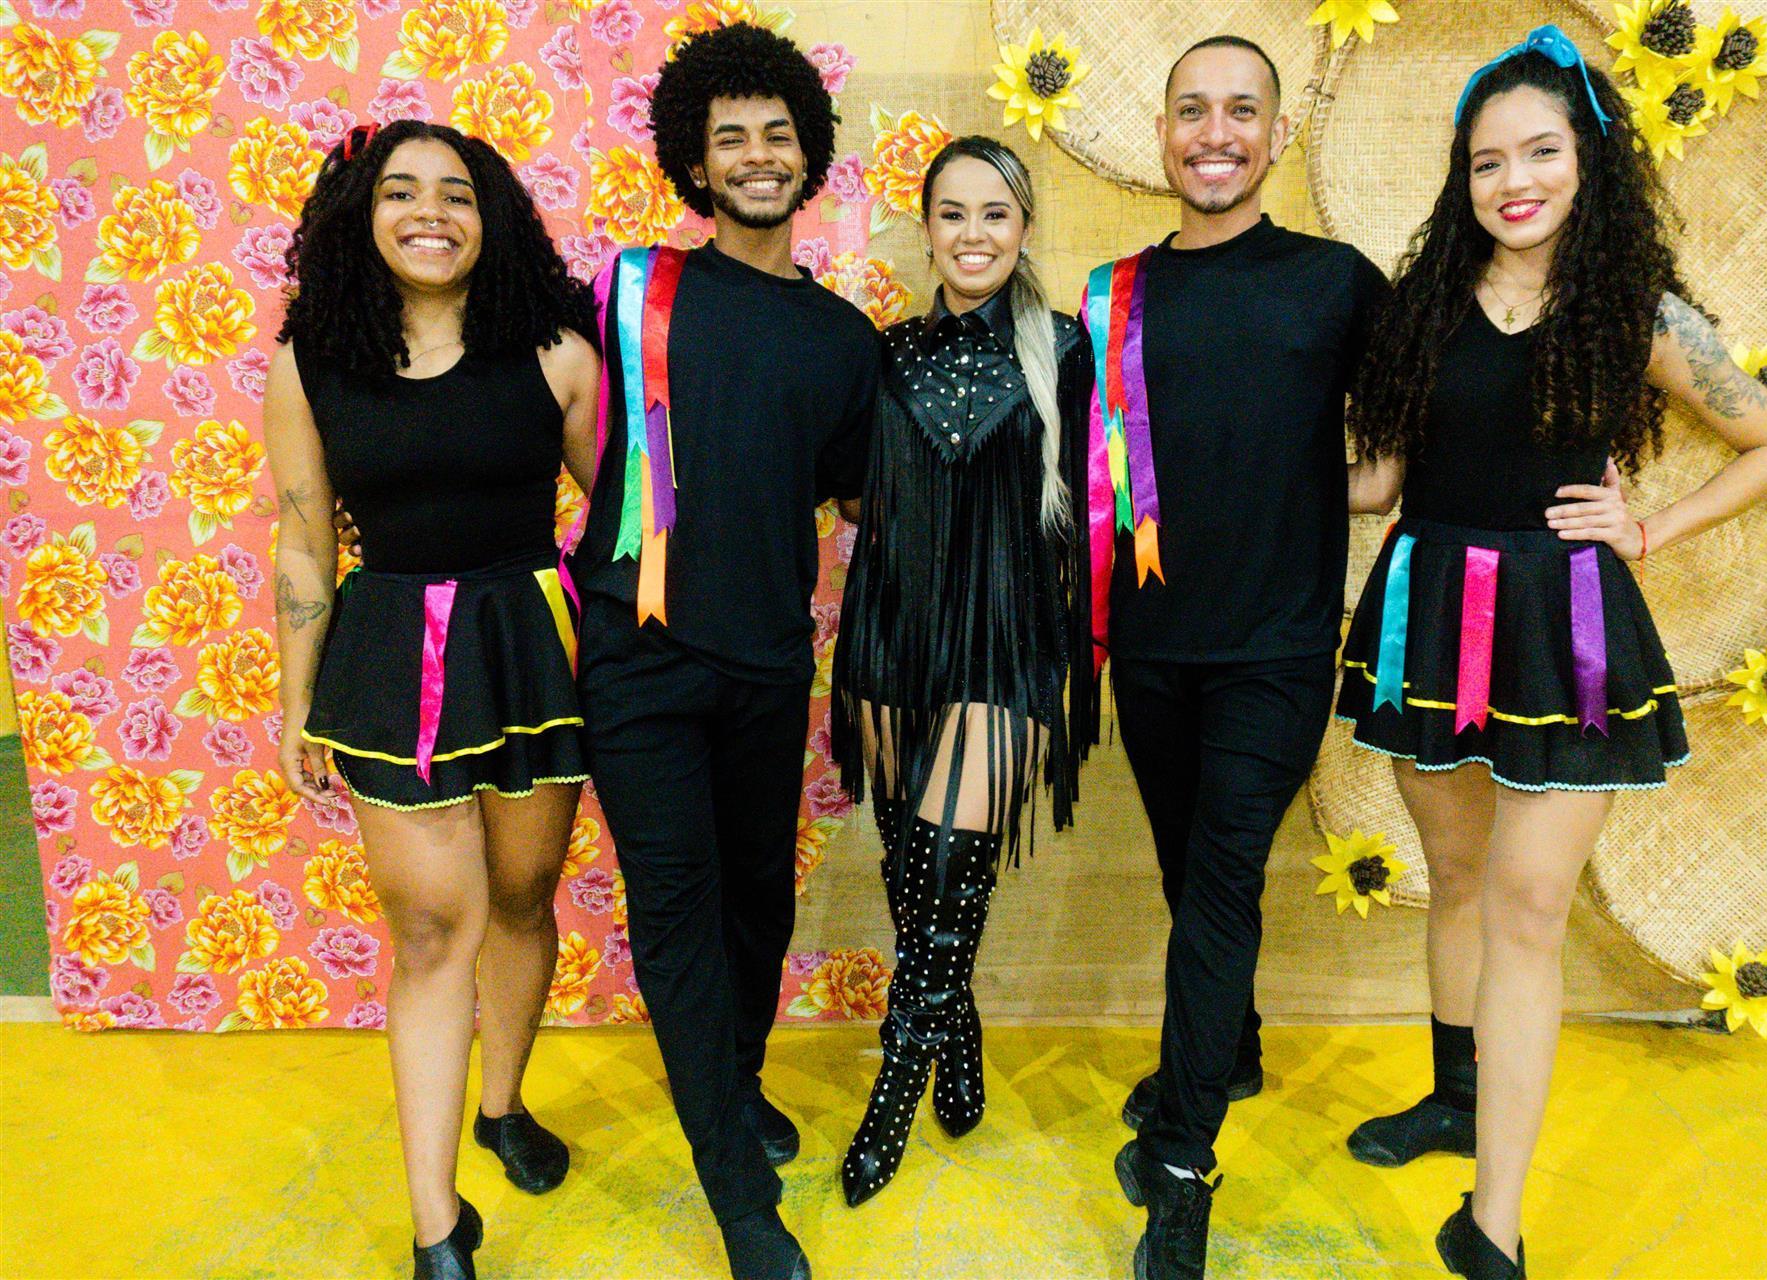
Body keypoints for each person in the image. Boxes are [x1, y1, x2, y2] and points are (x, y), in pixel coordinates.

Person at [1338, 28, 1767, 1279]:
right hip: (1427, 614)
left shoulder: (1634, 312)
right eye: (1488, 160)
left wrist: (1648, 527)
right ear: (1462, 176)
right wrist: (1225, 457)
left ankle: (1493, 1222)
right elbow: (1376, 481)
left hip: (1568, 631)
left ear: (1590, 161)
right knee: (1455, 874)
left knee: (1530, 906)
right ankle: (1453, 1098)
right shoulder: (1423, 307)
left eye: (1541, 151)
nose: (1515, 181)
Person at [565, 24, 879, 1280]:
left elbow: (856, 498)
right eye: (729, 137)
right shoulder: (629, 287)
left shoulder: (844, 338)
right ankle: (741, 1197)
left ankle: (734, 1078)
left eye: (777, 135)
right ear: (694, 163)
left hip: (766, 660)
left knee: (760, 897)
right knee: (680, 910)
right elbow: (551, 404)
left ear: (809, 157)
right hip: (634, 658)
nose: (756, 155)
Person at [265, 120, 602, 1280]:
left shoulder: (557, 352)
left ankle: (502, 1106)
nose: (430, 212)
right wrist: (296, 700)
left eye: (455, 193)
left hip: (527, 650)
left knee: (520, 895)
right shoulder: (311, 358)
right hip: (387, 658)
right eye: (400, 191)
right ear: (362, 215)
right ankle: (435, 1226)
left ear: (488, 215)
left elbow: (627, 521)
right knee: (428, 932)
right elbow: (304, 540)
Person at [1097, 36, 1389, 1280]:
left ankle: (1180, 1163)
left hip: (1275, 650)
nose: (1214, 133)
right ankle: (1237, 1045)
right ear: (1164, 133)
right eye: (1192, 111)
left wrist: (1349, 488)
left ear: (1277, 131)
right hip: (1150, 647)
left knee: (1220, 883)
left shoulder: (1336, 281)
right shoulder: (1113, 295)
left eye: (1240, 111)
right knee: (1190, 870)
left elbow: (1414, 422)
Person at [830, 135, 1094, 1208]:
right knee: (912, 876)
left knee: (948, 867)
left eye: (996, 213)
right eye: (953, 213)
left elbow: (1101, 502)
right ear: (926, 226)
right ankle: (962, 1029)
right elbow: (854, 493)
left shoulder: (1068, 348)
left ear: (1024, 227)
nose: (973, 234)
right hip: (891, 634)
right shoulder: (881, 353)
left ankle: (894, 1090)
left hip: (1008, 639)